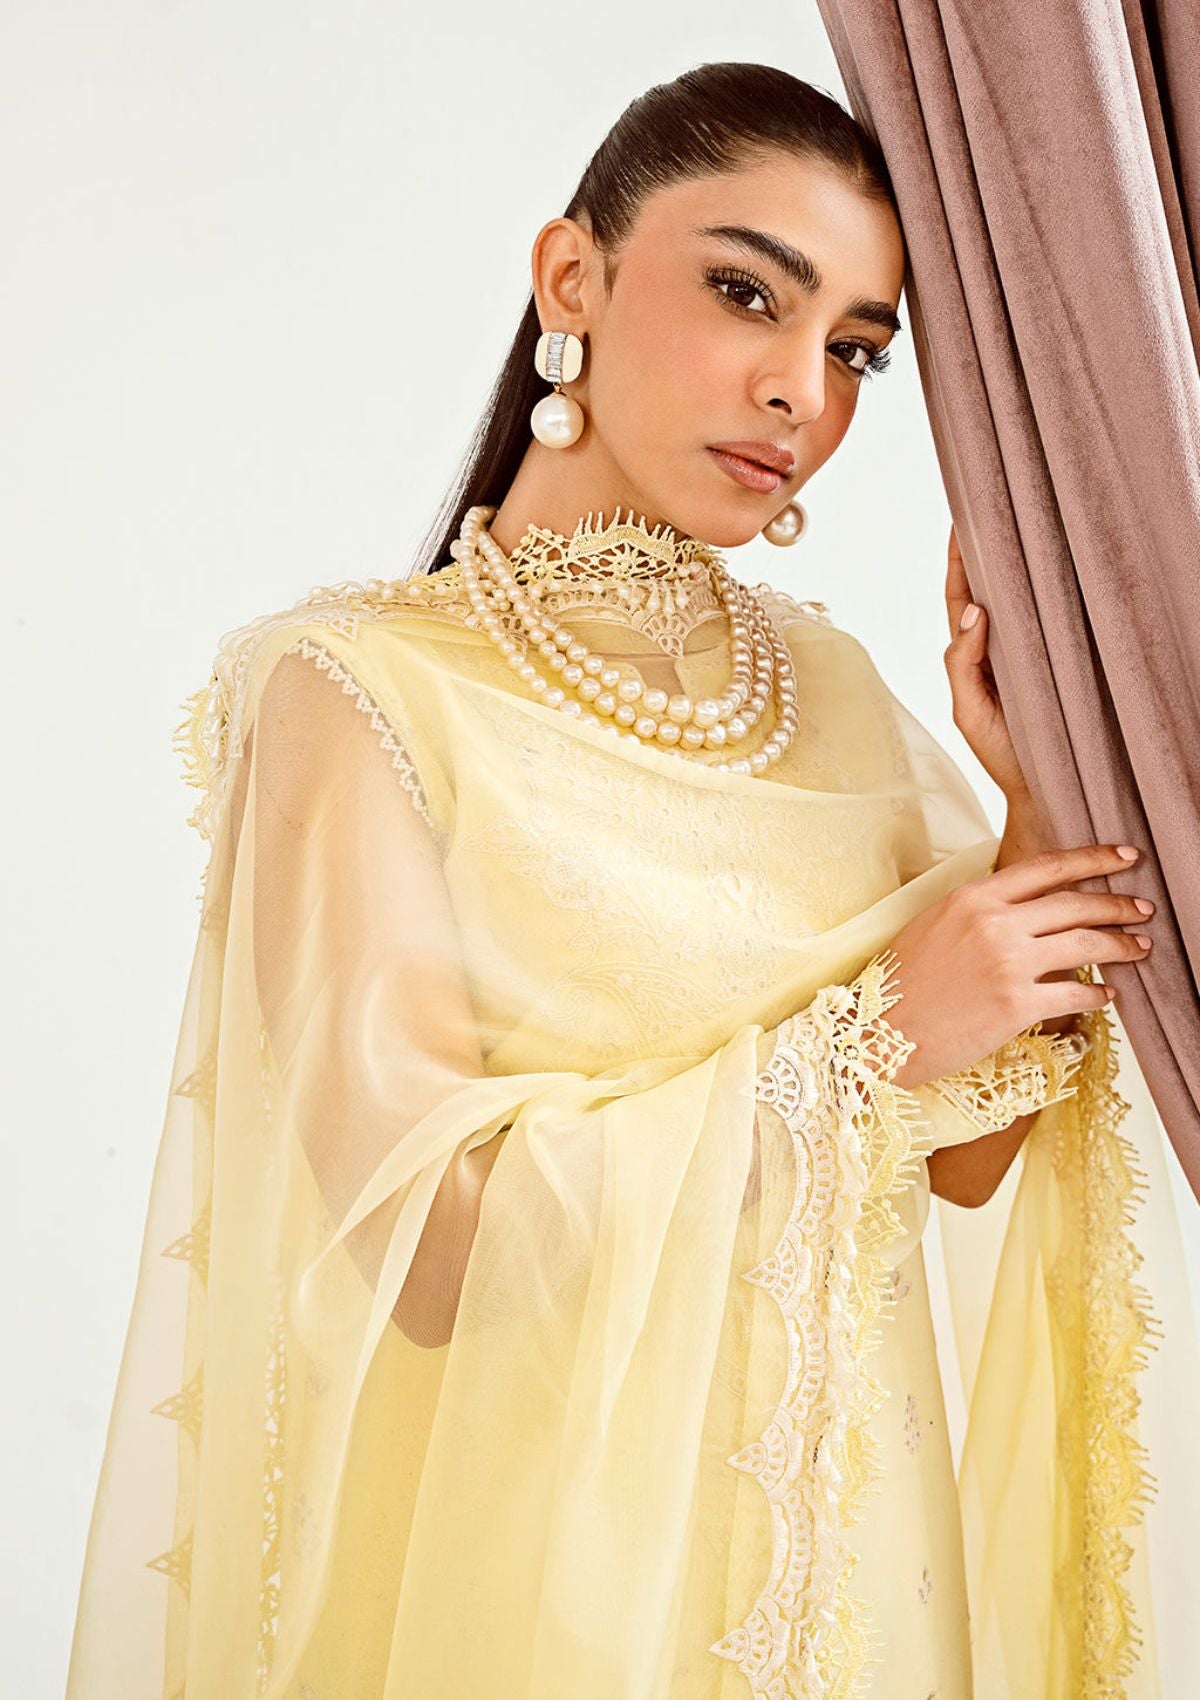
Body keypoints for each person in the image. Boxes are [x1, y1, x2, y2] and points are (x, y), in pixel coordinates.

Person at [66, 61, 1197, 1700]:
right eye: (749, 293)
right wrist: (875, 1043)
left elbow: (960, 1163)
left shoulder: (837, 697)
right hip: (549, 1599)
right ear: (569, 278)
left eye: (856, 349)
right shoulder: (357, 693)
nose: (801, 390)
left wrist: (1027, 807)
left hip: (858, 1589)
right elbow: (426, 1249)